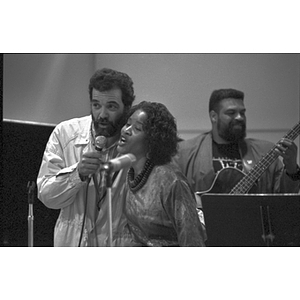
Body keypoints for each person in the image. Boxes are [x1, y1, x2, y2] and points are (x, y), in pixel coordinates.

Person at [37, 68, 137, 246]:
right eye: (96, 105)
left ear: (127, 107)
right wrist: (77, 174)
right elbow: (47, 197)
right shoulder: (65, 133)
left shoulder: (137, 143)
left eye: (111, 106)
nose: (102, 115)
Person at [174, 88, 300, 199]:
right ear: (214, 116)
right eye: (231, 113)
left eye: (242, 112)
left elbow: (284, 199)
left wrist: (291, 168)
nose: (239, 117)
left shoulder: (264, 151)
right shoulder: (184, 153)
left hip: (251, 223)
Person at [117, 101, 206, 246]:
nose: (126, 130)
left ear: (153, 139)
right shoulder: (131, 173)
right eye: (127, 123)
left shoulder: (171, 180)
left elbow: (192, 238)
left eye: (137, 128)